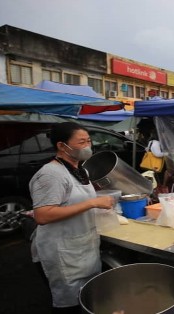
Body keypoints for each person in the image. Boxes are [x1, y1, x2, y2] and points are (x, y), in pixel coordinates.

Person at [29, 122, 115, 313]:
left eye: (89, 141)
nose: (87, 146)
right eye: (81, 142)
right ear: (62, 146)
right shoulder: (51, 174)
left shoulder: (80, 170)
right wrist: (92, 203)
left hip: (83, 245)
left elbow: (74, 199)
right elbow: (42, 215)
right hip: (62, 250)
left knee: (87, 298)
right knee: (70, 304)